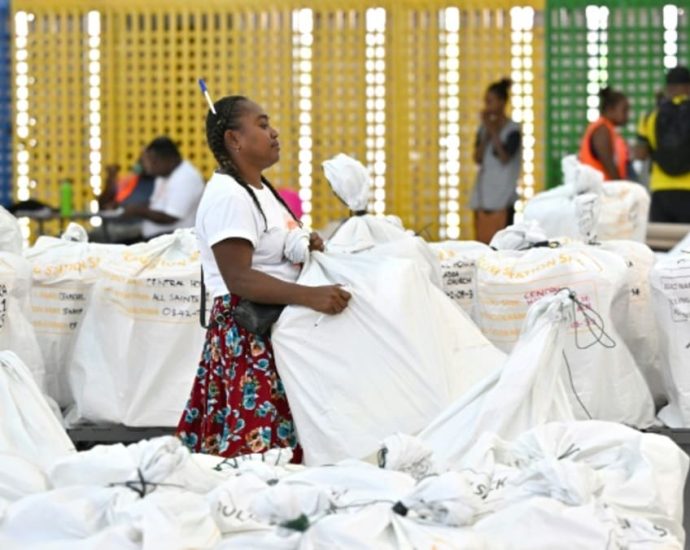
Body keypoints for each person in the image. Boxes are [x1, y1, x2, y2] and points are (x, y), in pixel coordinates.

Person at [176, 95, 351, 460]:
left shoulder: (260, 190)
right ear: (233, 140)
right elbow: (239, 278)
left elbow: (273, 247)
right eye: (262, 124)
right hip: (247, 336)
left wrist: (303, 244)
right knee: (259, 456)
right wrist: (312, 296)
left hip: (272, 329)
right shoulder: (229, 197)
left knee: (280, 452)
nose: (273, 133)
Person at [635, 65, 690, 223]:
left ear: (668, 88)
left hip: (660, 189)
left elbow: (641, 154)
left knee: (662, 243)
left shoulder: (650, 116)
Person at [471, 78, 522, 244]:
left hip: (504, 196)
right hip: (484, 194)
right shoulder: (483, 129)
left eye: (490, 101)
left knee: (502, 244)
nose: (487, 106)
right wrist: (486, 131)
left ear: (502, 102)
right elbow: (477, 158)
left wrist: (494, 132)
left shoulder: (513, 129)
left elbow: (505, 157)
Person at [123, 137, 205, 239]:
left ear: (170, 159)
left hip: (173, 241)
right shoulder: (163, 174)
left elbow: (171, 217)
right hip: (156, 237)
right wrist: (128, 207)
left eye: (154, 162)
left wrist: (138, 210)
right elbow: (155, 204)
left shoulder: (186, 177)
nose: (149, 166)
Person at [92, 159, 155, 244]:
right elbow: (103, 204)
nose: (141, 164)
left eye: (145, 159)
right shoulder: (131, 180)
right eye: (140, 160)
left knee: (94, 237)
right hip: (115, 224)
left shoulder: (159, 182)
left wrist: (129, 208)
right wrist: (111, 177)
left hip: (137, 226)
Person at [579, 87, 631, 181]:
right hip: (598, 191)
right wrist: (621, 185)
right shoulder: (602, 130)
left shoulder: (609, 130)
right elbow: (609, 164)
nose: (627, 115)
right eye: (624, 110)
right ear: (610, 110)